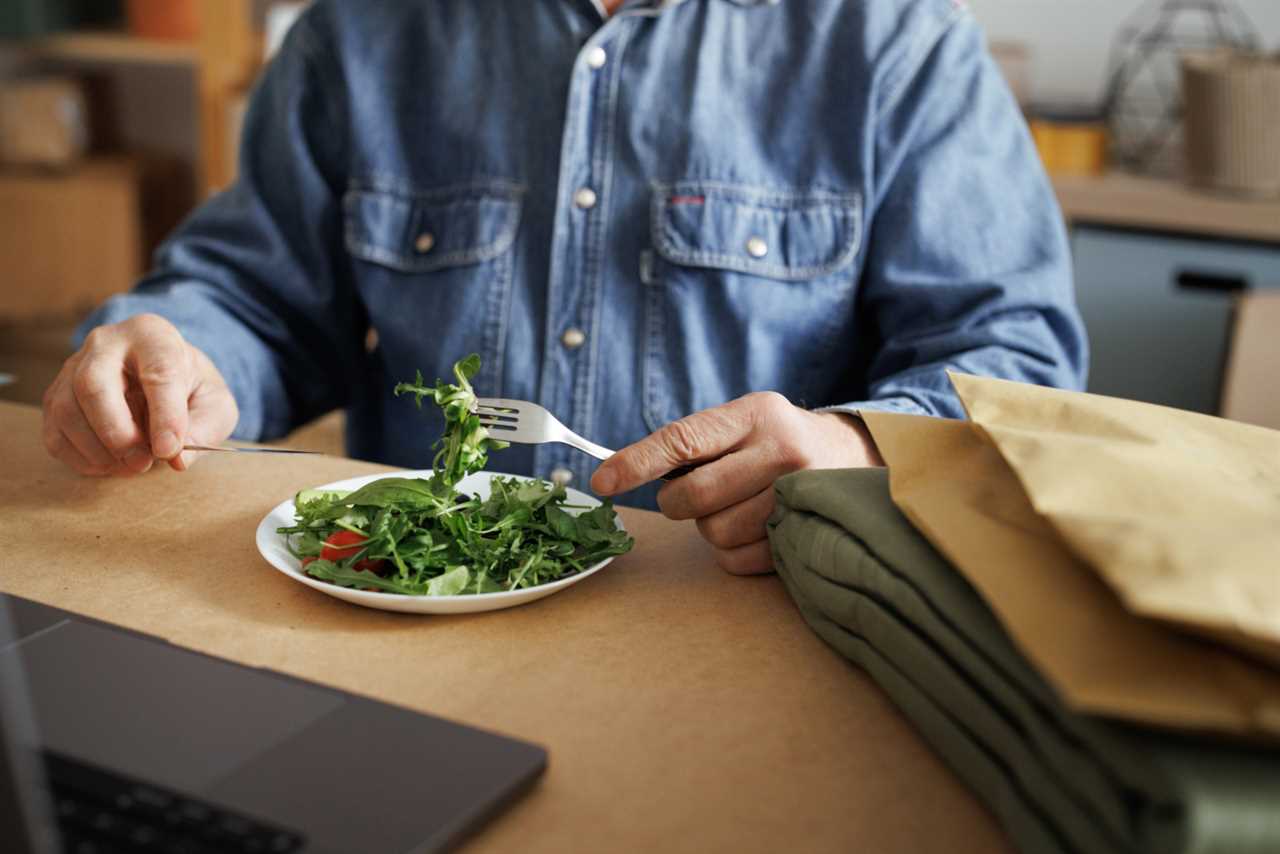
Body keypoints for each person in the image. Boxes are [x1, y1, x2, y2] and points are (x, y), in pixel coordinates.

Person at [41, 0, 1087, 575]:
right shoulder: (356, 34)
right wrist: (181, 350)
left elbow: (1011, 356)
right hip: (409, 610)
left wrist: (857, 444)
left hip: (752, 623)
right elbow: (258, 297)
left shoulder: (897, 42)